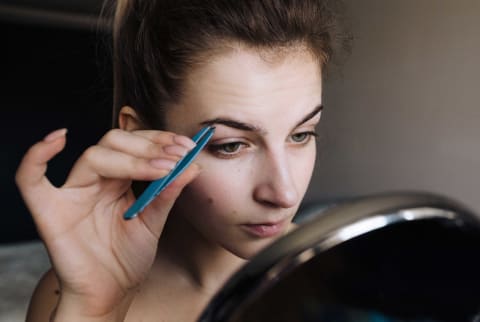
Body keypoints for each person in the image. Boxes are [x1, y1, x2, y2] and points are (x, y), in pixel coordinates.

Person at [15, 0, 350, 321]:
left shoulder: (344, 280)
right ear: (141, 136)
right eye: (231, 145)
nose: (284, 194)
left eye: (301, 135)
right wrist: (92, 311)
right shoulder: (71, 297)